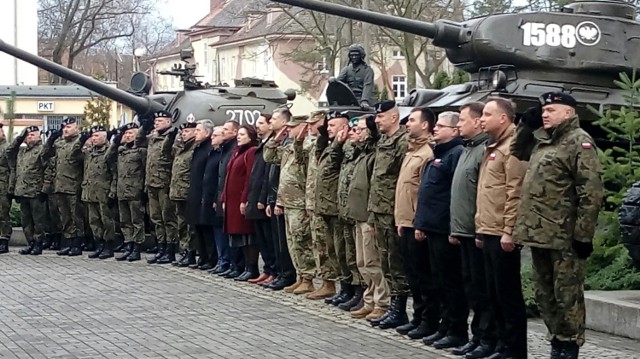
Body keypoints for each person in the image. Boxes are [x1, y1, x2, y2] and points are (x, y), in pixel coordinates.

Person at [512, 92, 604, 359]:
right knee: (545, 295)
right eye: (543, 110)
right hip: (539, 233)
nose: (545, 114)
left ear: (569, 113)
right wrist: (525, 126)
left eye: (551, 110)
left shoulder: (579, 142)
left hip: (564, 236)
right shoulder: (544, 141)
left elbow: (591, 192)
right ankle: (557, 342)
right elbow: (517, 150)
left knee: (567, 296)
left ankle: (569, 346)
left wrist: (583, 236)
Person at [476, 97, 528, 359]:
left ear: (503, 118)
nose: (481, 119)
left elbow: (514, 192)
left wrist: (509, 230)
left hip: (502, 233)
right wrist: (480, 227)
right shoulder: (493, 146)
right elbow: (485, 191)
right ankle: (499, 344)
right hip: (489, 229)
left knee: (507, 295)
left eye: (486, 114)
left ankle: (514, 350)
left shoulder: (514, 147)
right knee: (493, 293)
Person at [414, 111, 468, 349]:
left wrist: (451, 227)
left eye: (441, 126)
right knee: (438, 280)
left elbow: (454, 195)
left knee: (450, 282)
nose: (435, 129)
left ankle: (456, 330)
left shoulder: (455, 154)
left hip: (445, 228)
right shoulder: (439, 154)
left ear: (455, 130)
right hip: (432, 227)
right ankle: (444, 327)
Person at [449, 102, 495, 358]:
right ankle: (477, 336)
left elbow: (483, 193)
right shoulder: (467, 149)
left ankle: (486, 337)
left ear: (477, 122)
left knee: (481, 289)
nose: (458, 124)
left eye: (462, 120)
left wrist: (478, 228)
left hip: (477, 230)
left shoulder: (483, 150)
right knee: (471, 287)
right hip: (464, 229)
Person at [394, 107, 438, 338]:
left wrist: (418, 222)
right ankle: (418, 317)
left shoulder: (427, 153)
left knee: (423, 276)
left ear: (425, 125)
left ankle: (429, 321)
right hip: (406, 221)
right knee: (412, 274)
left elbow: (424, 193)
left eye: (412, 120)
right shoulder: (412, 151)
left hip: (418, 224)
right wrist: (400, 219)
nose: (407, 124)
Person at [368, 100, 408, 327]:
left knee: (396, 262)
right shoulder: (384, 140)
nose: (377, 120)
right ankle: (394, 307)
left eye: (381, 116)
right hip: (379, 210)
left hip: (393, 211)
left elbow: (403, 179)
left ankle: (400, 309)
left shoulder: (403, 141)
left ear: (393, 117)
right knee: (385, 262)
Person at [345, 115, 389, 320]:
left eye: (362, 129)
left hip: (368, 216)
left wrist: (371, 217)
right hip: (358, 215)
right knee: (362, 262)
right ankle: (369, 299)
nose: (357, 133)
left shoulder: (374, 153)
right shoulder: (361, 153)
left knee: (373, 261)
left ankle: (382, 301)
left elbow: (375, 188)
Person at [221, 125, 259, 281]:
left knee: (246, 234)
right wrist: (224, 197)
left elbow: (249, 177)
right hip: (231, 200)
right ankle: (238, 266)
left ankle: (251, 267)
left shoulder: (250, 152)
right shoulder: (237, 152)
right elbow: (228, 176)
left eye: (242, 134)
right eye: (238, 134)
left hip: (240, 200)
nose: (239, 136)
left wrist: (245, 199)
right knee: (236, 234)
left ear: (250, 136)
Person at [140, 110, 179, 264]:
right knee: (156, 218)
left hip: (164, 184)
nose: (157, 123)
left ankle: (170, 250)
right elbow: (139, 141)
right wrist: (144, 127)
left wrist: (170, 140)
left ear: (169, 121)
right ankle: (161, 247)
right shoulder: (153, 137)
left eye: (160, 121)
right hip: (151, 183)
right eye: (156, 121)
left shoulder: (173, 137)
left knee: (168, 218)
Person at [6, 126, 50, 255]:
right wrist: (19, 138)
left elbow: (48, 170)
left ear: (39, 136)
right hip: (22, 191)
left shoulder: (42, 150)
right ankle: (30, 242)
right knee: (26, 221)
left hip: (36, 191)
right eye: (27, 135)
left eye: (32, 134)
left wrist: (45, 189)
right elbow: (9, 151)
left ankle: (38, 243)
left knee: (38, 221)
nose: (29, 137)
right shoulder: (22, 151)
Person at [48, 118, 89, 257]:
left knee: (76, 216)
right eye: (64, 127)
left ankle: (78, 243)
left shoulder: (82, 142)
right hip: (60, 186)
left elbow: (77, 156)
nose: (65, 130)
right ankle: (69, 242)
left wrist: (82, 141)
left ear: (77, 128)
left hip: (74, 186)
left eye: (69, 127)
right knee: (65, 217)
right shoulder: (59, 144)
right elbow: (46, 154)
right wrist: (50, 140)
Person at [245, 114, 278, 284]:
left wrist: (263, 198)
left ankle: (273, 270)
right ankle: (268, 269)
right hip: (255, 195)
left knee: (269, 238)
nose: (257, 126)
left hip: (263, 198)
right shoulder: (262, 145)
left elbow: (268, 175)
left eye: (262, 123)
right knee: (262, 238)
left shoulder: (271, 146)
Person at [110, 122, 147, 261]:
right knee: (125, 221)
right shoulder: (121, 151)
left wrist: (144, 189)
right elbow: (109, 158)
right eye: (126, 134)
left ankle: (137, 248)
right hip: (122, 190)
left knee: (136, 221)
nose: (128, 136)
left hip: (135, 191)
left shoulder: (141, 151)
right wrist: (115, 142)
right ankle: (128, 244)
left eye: (131, 133)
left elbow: (145, 170)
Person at [186, 119, 217, 270]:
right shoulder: (197, 148)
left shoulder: (209, 149)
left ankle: (211, 258)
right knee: (197, 227)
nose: (195, 133)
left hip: (204, 194)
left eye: (198, 130)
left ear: (207, 133)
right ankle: (202, 257)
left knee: (206, 228)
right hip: (195, 193)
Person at [82, 125, 117, 260]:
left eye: (97, 136)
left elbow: (115, 174)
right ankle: (99, 244)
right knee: (94, 220)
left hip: (104, 192)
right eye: (93, 136)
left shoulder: (109, 152)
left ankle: (108, 246)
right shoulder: (90, 152)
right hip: (90, 192)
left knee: (106, 220)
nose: (94, 138)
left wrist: (112, 192)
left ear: (105, 137)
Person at [216, 120, 245, 278]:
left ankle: (238, 265)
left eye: (226, 130)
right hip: (227, 196)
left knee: (237, 233)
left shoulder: (237, 150)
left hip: (237, 198)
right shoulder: (229, 150)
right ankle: (232, 264)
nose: (223, 132)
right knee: (229, 232)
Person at [171, 121, 198, 267]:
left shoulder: (194, 149)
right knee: (181, 225)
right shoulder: (181, 149)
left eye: (187, 131)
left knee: (190, 227)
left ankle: (191, 253)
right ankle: (184, 251)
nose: (183, 134)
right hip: (177, 192)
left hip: (187, 192)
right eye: (182, 132)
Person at [205, 127, 228, 274]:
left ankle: (225, 260)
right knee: (215, 229)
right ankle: (220, 259)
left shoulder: (225, 153)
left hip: (221, 196)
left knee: (222, 230)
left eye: (216, 135)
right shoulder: (213, 152)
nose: (212, 137)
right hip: (214, 196)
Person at [331, 44, 374, 108]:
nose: (354, 57)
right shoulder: (347, 69)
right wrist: (333, 80)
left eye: (356, 55)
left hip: (362, 100)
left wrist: (364, 101)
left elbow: (367, 85)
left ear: (361, 56)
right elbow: (338, 82)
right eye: (352, 55)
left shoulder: (367, 70)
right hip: (349, 100)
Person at [0, 123, 12, 253]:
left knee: (3, 214)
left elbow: (12, 169)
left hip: (3, 186)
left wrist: (11, 187)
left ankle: (4, 240)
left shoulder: (7, 148)